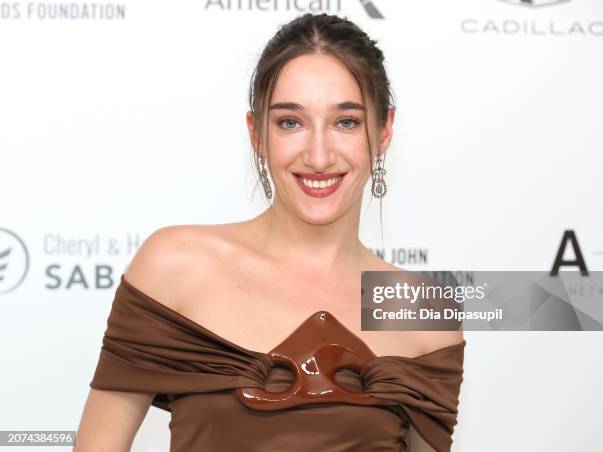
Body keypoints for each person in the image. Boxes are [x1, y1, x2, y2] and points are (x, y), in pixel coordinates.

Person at [74, 12, 465, 452]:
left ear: (385, 129)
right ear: (256, 133)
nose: (319, 155)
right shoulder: (175, 267)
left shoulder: (421, 312)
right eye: (290, 122)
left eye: (346, 122)